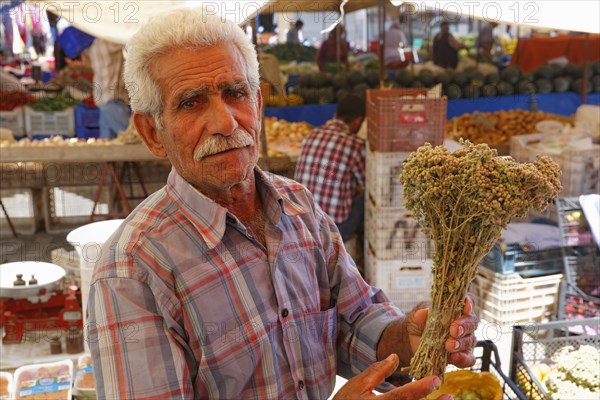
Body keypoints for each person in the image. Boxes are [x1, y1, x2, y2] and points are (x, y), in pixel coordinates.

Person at [88, 8, 478, 399]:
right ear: (151, 133)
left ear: (257, 105)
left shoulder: (298, 206)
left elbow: (355, 321)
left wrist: (406, 338)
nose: (225, 122)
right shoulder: (130, 272)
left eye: (235, 93)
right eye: (191, 103)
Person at [294, 94, 366, 242]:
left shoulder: (312, 135)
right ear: (358, 121)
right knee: (366, 198)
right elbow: (367, 184)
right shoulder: (355, 144)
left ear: (336, 114)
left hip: (302, 222)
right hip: (335, 229)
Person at [88, 37, 130, 139]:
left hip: (103, 101)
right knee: (132, 138)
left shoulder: (95, 44)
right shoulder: (109, 42)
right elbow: (128, 38)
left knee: (107, 143)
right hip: (113, 101)